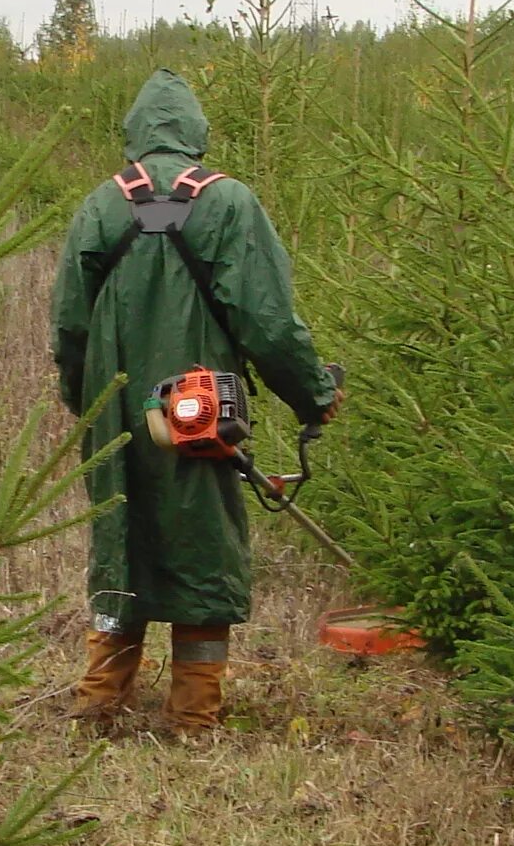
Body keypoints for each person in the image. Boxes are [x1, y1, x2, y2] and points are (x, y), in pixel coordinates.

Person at [49, 67, 339, 735]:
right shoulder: (229, 203)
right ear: (197, 134)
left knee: (120, 540)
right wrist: (313, 394)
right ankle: (193, 716)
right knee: (203, 544)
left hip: (119, 415)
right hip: (200, 410)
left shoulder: (99, 205)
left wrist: (86, 406)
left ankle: (99, 702)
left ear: (135, 135)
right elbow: (268, 320)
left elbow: (68, 325)